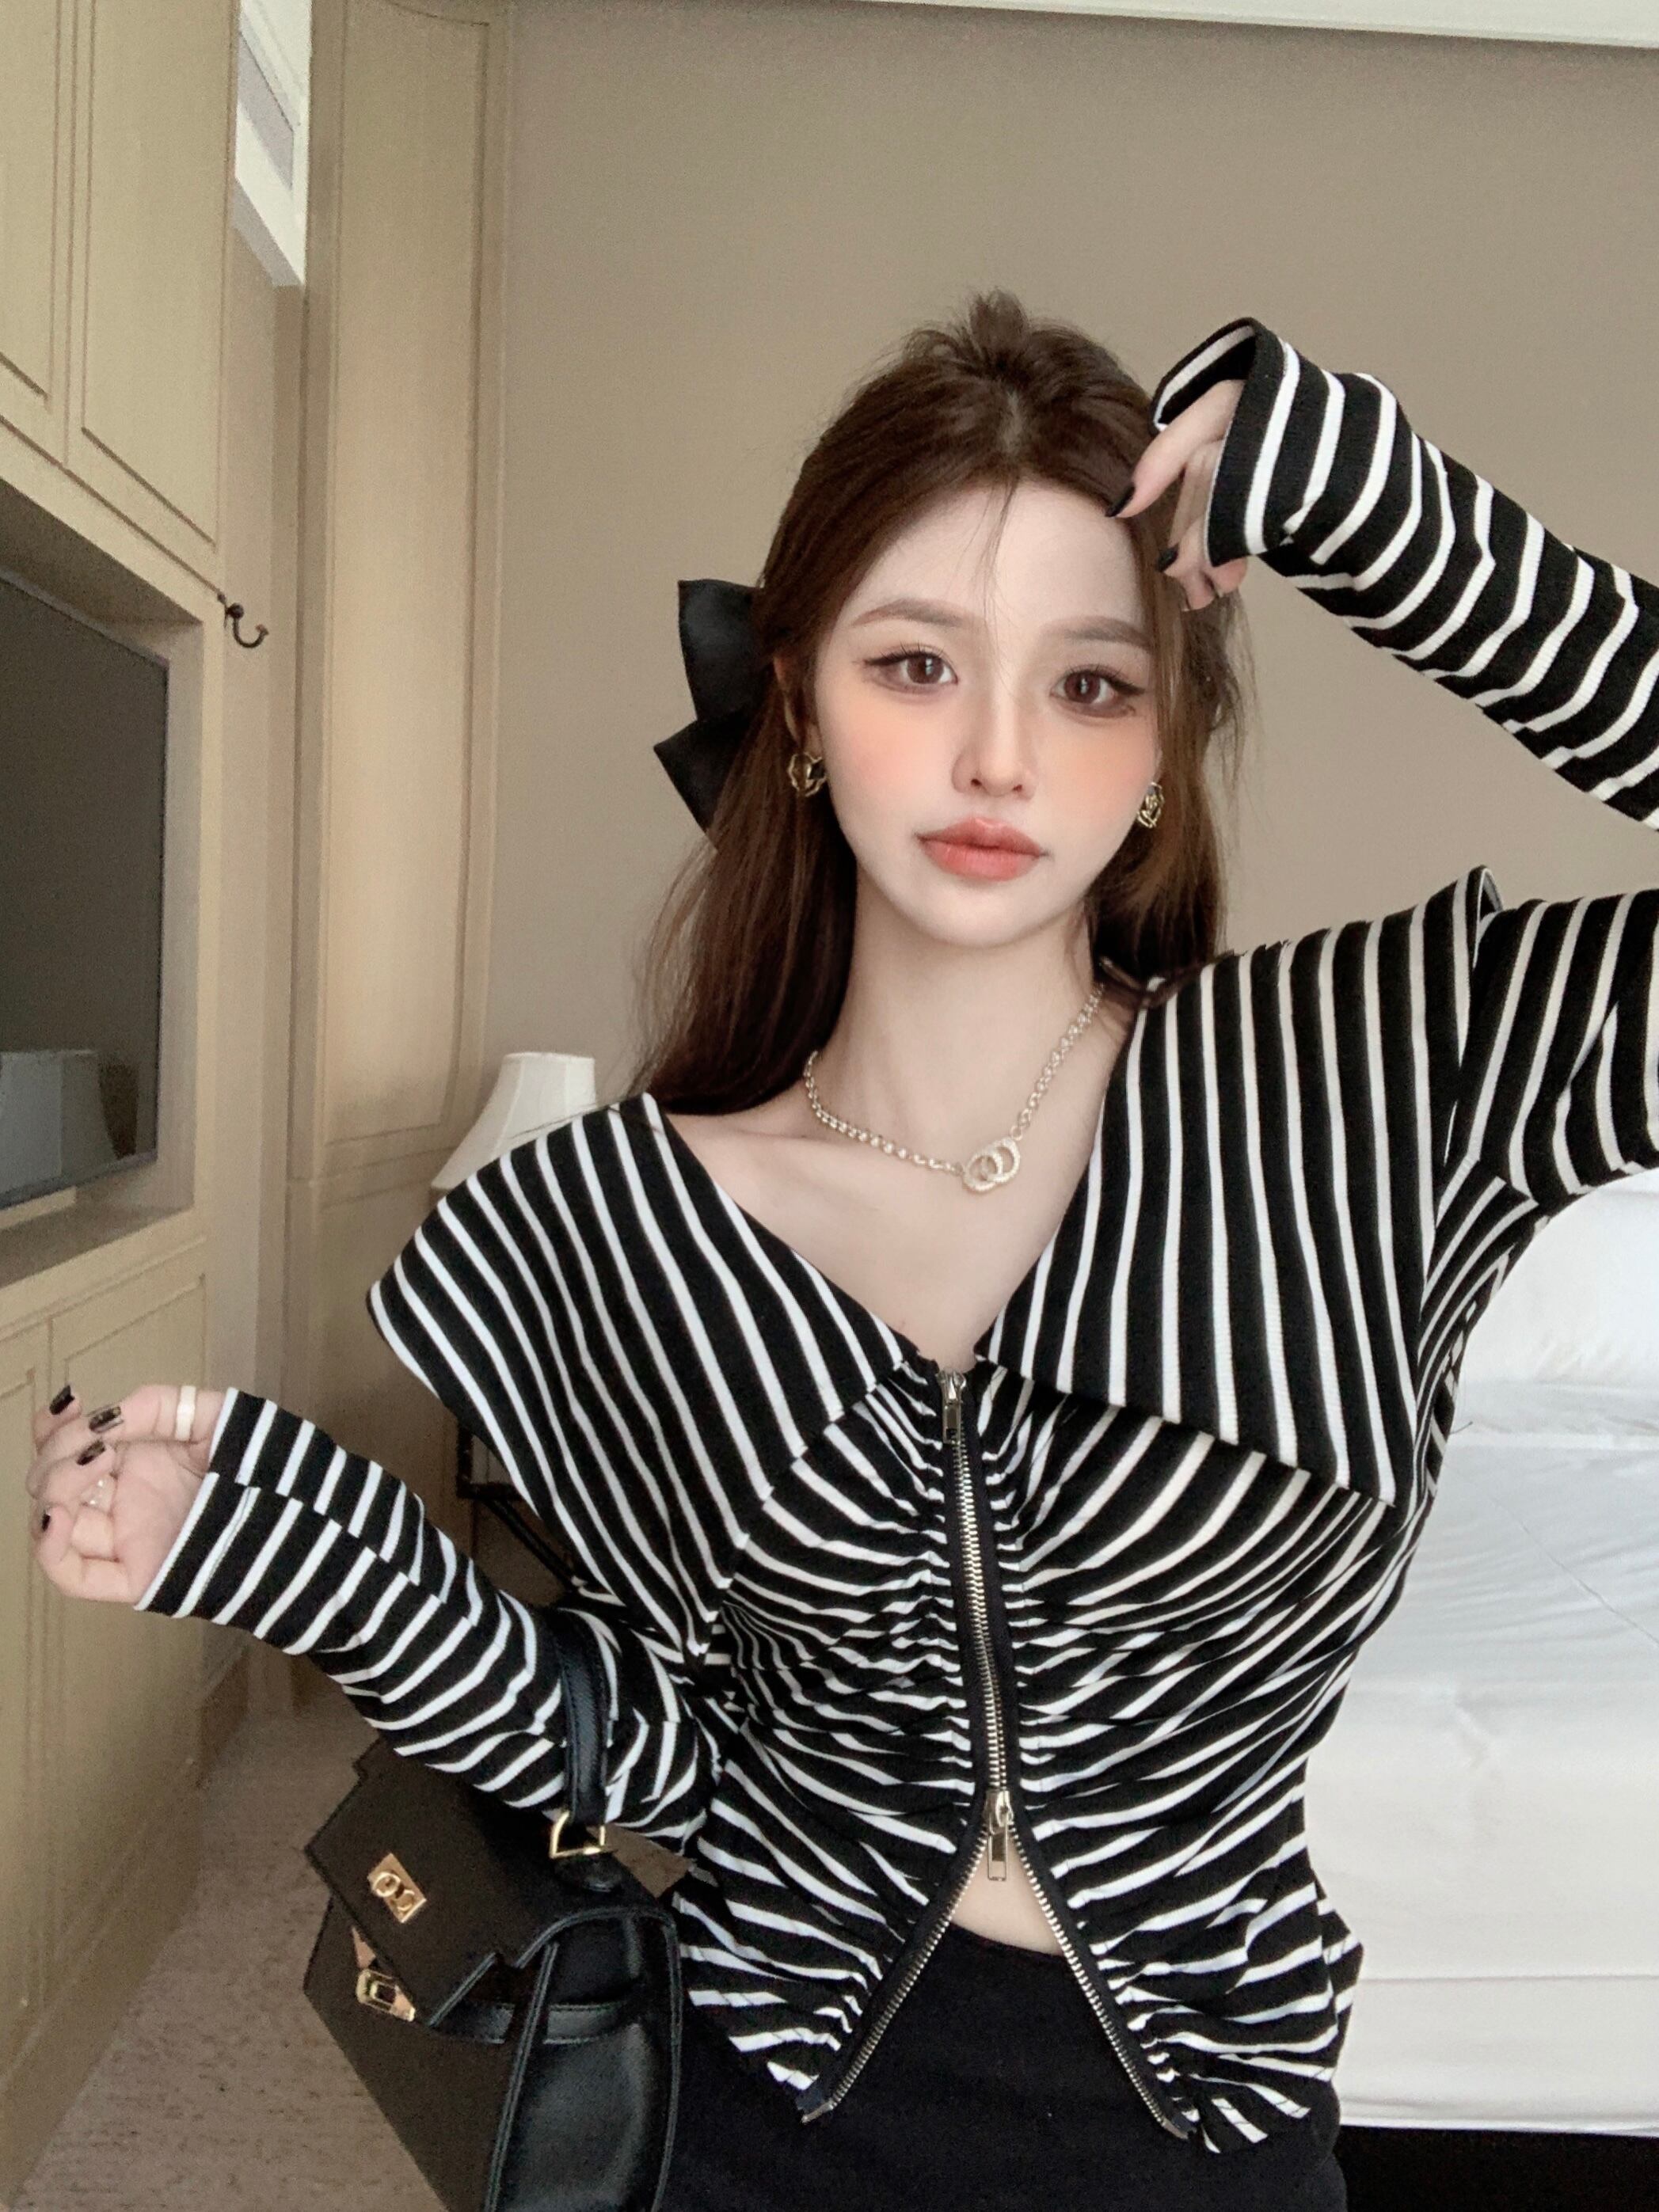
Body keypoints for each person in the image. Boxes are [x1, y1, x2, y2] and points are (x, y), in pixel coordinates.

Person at [25, 294, 1658, 2211]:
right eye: (916, 664)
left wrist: (1384, 509)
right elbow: (661, 1748)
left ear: (1166, 738)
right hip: (765, 2117)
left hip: (1206, 2134)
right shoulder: (620, 1223)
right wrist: (297, 1546)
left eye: (1089, 682)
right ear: (797, 703)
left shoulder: (1382, 1077)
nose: (995, 756)